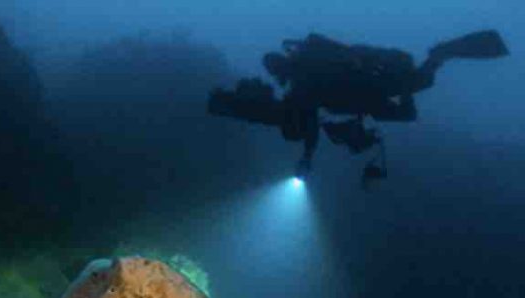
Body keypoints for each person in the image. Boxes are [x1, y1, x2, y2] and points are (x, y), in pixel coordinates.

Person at [208, 29, 509, 183]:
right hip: (367, 94)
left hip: (370, 88)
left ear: (282, 68)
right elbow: (307, 121)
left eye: (275, 72)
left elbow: (308, 124)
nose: (275, 78)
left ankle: (441, 53)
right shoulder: (304, 80)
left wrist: (307, 157)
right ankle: (440, 55)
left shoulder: (304, 82)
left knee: (416, 88)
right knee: (412, 97)